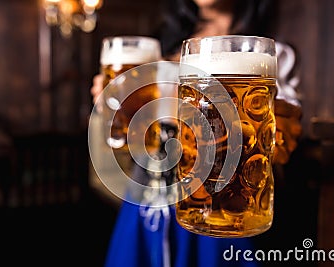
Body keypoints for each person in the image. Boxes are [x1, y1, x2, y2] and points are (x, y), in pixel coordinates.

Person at [90, 0, 303, 266]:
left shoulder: (271, 55)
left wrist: (281, 131)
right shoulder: (161, 48)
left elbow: (278, 143)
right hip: (147, 204)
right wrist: (115, 111)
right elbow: (139, 142)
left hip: (225, 208)